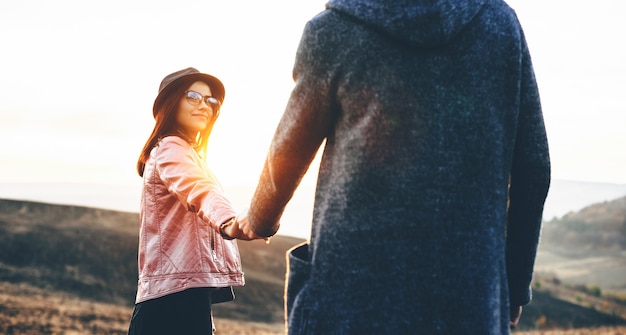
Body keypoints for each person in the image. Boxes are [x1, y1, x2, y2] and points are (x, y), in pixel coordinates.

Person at [223, 0, 551, 334]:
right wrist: (512, 287)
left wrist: (260, 219)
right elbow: (534, 170)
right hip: (471, 299)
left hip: (351, 296)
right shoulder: (501, 24)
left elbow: (288, 151)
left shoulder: (333, 30)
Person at [127, 67, 245, 335]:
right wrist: (228, 220)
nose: (204, 105)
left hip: (183, 296)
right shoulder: (170, 147)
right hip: (171, 305)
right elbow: (197, 189)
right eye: (193, 96)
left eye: (210, 100)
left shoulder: (188, 153)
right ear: (170, 103)